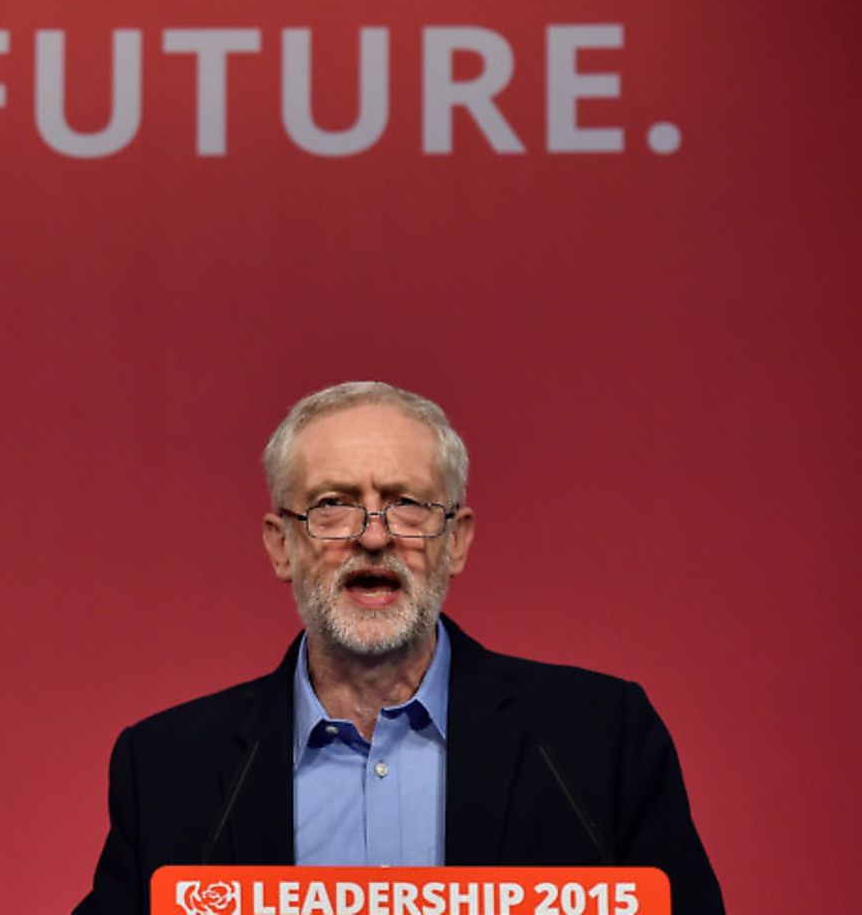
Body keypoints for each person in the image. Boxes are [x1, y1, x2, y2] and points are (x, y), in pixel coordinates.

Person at [73, 382, 723, 914]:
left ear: (457, 540)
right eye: (334, 505)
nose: (375, 537)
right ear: (281, 545)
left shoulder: (600, 741)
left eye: (407, 506)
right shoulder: (164, 769)